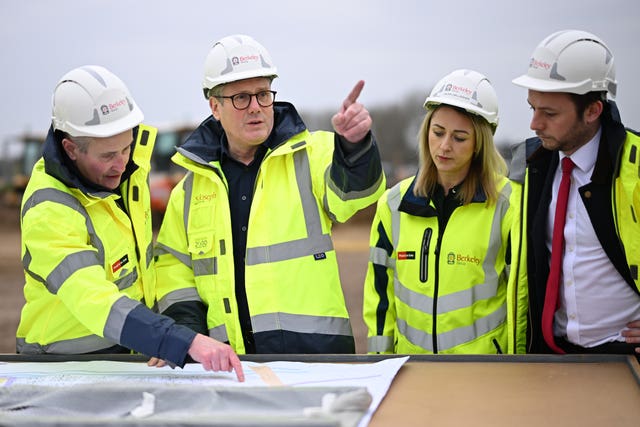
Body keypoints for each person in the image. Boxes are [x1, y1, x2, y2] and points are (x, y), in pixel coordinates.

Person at [154, 34, 385, 354]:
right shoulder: (189, 191)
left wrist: (355, 147)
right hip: (228, 364)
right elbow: (174, 276)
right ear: (215, 106)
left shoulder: (313, 153)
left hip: (316, 360)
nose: (256, 108)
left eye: (263, 94)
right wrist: (190, 337)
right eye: (241, 98)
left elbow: (355, 197)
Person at [16, 65, 244, 380]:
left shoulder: (130, 172)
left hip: (127, 354)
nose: (121, 163)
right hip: (62, 368)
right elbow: (93, 298)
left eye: (126, 147)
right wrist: (178, 339)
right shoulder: (49, 208)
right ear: (70, 149)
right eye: (108, 155)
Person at [363, 69, 528, 354]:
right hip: (410, 371)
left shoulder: (510, 204)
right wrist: (379, 362)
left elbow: (521, 300)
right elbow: (380, 294)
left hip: (483, 376)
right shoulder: (393, 203)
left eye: (460, 138)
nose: (444, 146)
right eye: (437, 132)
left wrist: (516, 370)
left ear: (480, 143)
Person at [512, 29, 640, 357]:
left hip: (624, 361)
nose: (534, 124)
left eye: (550, 113)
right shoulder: (528, 165)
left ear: (593, 111)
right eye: (532, 108)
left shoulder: (636, 166)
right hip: (551, 359)